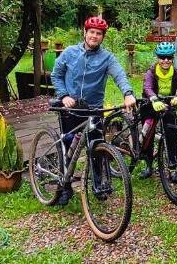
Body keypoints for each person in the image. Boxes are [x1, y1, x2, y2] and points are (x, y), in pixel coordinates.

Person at [51, 15, 136, 205]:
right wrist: (64, 95)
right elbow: (56, 75)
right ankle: (65, 187)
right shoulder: (70, 52)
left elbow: (119, 75)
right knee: (68, 146)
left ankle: (98, 185)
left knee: (96, 147)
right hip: (70, 108)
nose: (94, 36)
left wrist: (128, 93)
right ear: (85, 33)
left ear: (103, 37)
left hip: (93, 109)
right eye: (92, 32)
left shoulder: (107, 58)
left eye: (99, 33)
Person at [141, 42, 177, 181]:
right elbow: (147, 87)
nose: (166, 60)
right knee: (147, 136)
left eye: (169, 57)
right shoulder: (151, 71)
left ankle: (173, 168)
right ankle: (148, 165)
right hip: (150, 105)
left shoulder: (176, 72)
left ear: (172, 58)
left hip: (167, 106)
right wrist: (154, 99)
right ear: (158, 58)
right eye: (162, 57)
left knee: (172, 135)